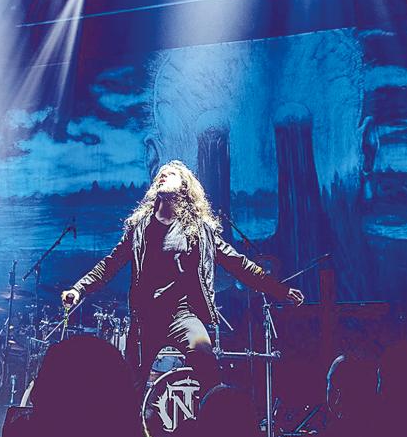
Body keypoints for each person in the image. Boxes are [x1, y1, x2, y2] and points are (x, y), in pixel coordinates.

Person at [61, 160, 304, 391]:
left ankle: (213, 416)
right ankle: (130, 422)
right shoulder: (140, 229)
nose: (163, 176)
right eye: (160, 175)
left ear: (184, 187)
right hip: (145, 317)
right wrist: (78, 288)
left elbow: (238, 264)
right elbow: (110, 264)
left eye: (170, 174)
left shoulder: (199, 231)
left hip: (183, 314)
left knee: (206, 363)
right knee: (130, 386)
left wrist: (279, 290)